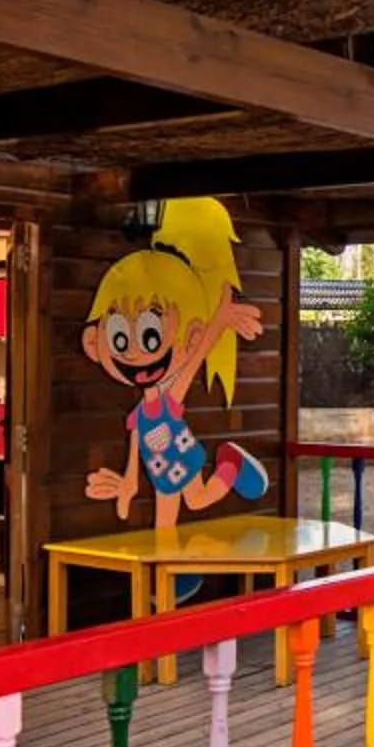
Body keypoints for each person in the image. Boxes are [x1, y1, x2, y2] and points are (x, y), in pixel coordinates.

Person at [83, 197, 268, 533]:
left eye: (149, 337)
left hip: (180, 459)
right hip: (160, 469)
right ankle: (168, 565)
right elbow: (135, 452)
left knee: (196, 501)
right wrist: (127, 485)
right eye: (120, 340)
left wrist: (219, 320)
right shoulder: (139, 415)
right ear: (94, 343)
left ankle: (231, 465)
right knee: (166, 523)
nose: (134, 354)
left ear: (190, 335)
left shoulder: (169, 399)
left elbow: (197, 357)